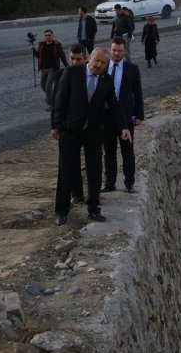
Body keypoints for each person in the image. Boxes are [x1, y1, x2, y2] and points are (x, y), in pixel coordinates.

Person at [51, 48, 131, 226]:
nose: (99, 65)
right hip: (70, 130)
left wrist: (123, 127)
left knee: (95, 171)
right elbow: (59, 101)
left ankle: (93, 208)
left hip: (93, 131)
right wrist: (56, 126)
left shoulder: (106, 80)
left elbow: (114, 105)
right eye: (97, 61)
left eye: (103, 63)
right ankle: (62, 211)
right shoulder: (72, 73)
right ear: (89, 59)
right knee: (67, 170)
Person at [102, 36, 144, 194]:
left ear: (125, 51)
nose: (117, 53)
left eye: (120, 51)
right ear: (109, 50)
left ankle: (129, 183)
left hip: (126, 116)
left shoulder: (132, 69)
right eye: (114, 50)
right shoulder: (103, 67)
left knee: (127, 151)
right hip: (106, 117)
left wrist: (139, 115)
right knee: (109, 151)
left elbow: (137, 93)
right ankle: (109, 183)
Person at [52, 44, 88, 206]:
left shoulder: (92, 74)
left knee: (90, 163)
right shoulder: (62, 74)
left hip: (88, 127)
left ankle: (88, 197)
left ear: (86, 59)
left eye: (78, 59)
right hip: (68, 126)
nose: (74, 62)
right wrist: (55, 126)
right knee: (67, 164)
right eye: (72, 59)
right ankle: (68, 201)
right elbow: (56, 103)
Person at [30, 29, 68, 111]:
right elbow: (38, 56)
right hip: (43, 69)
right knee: (43, 85)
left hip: (53, 69)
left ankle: (50, 105)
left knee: (48, 86)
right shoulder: (41, 45)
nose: (48, 37)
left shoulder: (57, 45)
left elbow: (62, 56)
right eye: (46, 35)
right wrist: (33, 50)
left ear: (52, 36)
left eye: (49, 35)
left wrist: (67, 67)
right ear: (44, 37)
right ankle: (53, 96)